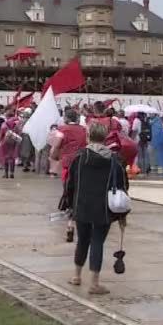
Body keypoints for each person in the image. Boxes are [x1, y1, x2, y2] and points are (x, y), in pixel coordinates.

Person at [63, 122, 127, 296]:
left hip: (82, 205)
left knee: (83, 240)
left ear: (89, 136)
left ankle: (76, 276)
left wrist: (68, 204)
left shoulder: (80, 157)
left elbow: (70, 183)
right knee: (97, 241)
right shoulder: (114, 160)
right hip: (103, 208)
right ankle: (94, 283)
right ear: (105, 138)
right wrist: (122, 214)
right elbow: (122, 185)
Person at [51, 109, 90, 242]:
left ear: (66, 118)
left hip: (68, 165)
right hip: (83, 164)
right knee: (80, 193)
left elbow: (55, 147)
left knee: (69, 192)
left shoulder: (62, 130)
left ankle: (70, 224)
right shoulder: (85, 130)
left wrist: (54, 156)